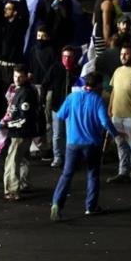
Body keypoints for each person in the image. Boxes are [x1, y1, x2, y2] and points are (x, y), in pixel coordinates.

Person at [50, 73, 121, 221]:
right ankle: (91, 207)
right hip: (92, 144)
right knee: (93, 174)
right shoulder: (98, 100)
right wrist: (117, 135)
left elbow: (61, 116)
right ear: (97, 86)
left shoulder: (71, 97)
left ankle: (56, 204)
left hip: (73, 144)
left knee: (66, 175)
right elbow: (105, 122)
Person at [1, 65, 42, 201]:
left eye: (20, 76)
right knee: (23, 160)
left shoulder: (25, 93)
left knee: (12, 161)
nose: (17, 79)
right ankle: (24, 183)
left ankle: (12, 191)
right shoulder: (23, 89)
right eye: (15, 76)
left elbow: (24, 118)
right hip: (24, 132)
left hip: (20, 133)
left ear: (26, 76)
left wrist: (7, 124)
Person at [107, 45, 131, 182]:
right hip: (117, 115)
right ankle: (123, 172)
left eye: (126, 54)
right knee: (120, 145)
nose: (123, 56)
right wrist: (110, 108)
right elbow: (114, 91)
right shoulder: (117, 71)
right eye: (122, 54)